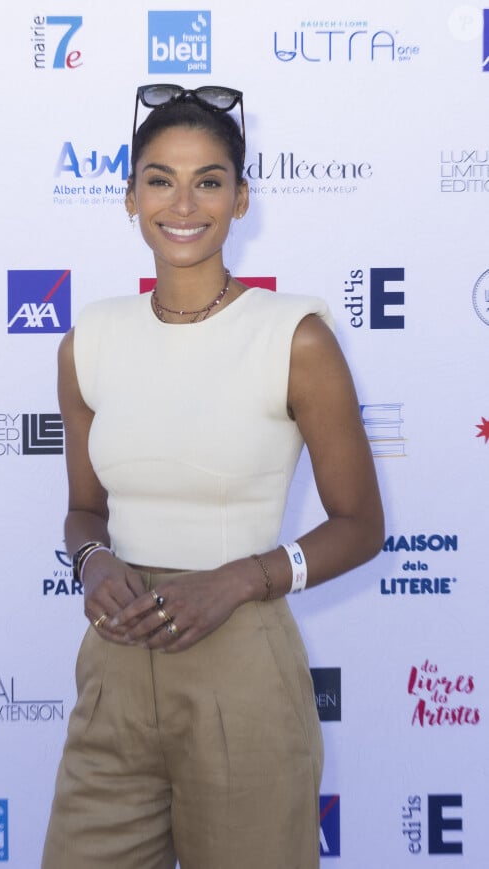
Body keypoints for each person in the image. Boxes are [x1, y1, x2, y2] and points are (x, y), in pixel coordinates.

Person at [41, 84, 384, 869]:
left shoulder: (293, 336)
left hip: (243, 667)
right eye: (160, 178)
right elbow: (83, 511)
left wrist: (239, 580)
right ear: (130, 197)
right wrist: (93, 560)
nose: (183, 202)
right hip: (114, 673)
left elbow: (361, 525)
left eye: (209, 180)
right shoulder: (88, 338)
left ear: (241, 197)